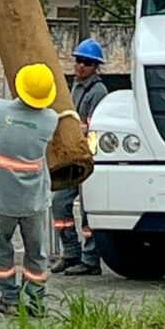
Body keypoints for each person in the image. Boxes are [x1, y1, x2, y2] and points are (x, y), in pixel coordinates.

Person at [0, 62, 59, 317]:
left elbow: (6, 105)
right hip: (34, 202)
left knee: (2, 247)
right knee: (36, 253)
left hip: (2, 201)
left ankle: (9, 299)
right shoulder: (50, 120)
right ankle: (37, 303)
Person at [50, 38, 109, 276]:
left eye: (86, 63)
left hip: (88, 156)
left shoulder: (98, 91)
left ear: (95, 67)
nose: (80, 66)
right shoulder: (74, 87)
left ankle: (90, 259)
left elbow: (96, 126)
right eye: (78, 61)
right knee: (60, 203)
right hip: (71, 156)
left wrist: (79, 133)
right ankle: (71, 252)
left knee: (88, 211)